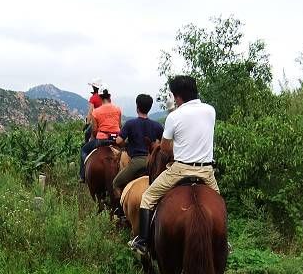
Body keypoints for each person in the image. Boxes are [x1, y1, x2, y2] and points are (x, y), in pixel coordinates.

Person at [128, 75, 219, 254]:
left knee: (147, 197)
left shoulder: (174, 116)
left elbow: (166, 149)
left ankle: (143, 242)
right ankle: (223, 241)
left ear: (176, 97)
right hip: (207, 171)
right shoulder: (210, 110)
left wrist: (171, 112)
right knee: (219, 203)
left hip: (180, 169)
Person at [112, 93, 164, 209]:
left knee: (116, 183)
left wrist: (127, 145)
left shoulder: (130, 124)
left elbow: (118, 141)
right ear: (150, 108)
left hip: (137, 162)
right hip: (153, 163)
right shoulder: (157, 126)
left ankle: (120, 212)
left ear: (137, 107)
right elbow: (163, 144)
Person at [79, 87, 122, 182]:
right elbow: (119, 125)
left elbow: (94, 130)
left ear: (100, 97)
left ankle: (83, 175)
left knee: (84, 150)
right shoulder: (118, 109)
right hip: (116, 140)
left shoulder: (96, 112)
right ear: (109, 96)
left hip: (101, 140)